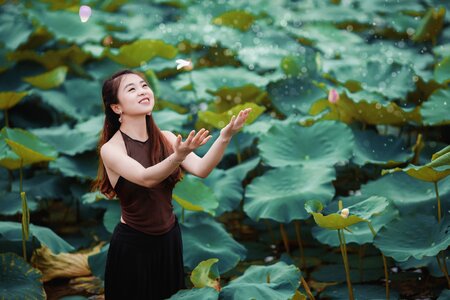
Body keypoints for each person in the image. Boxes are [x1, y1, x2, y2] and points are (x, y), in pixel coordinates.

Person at [91, 69, 252, 299]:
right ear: (117, 107)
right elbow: (146, 177)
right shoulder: (111, 149)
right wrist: (177, 157)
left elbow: (202, 169)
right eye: (132, 89)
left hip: (169, 239)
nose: (142, 91)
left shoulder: (165, 137)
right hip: (134, 245)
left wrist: (225, 136)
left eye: (144, 85)